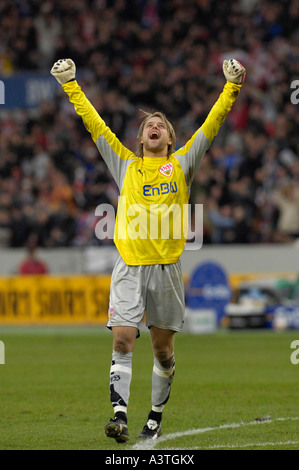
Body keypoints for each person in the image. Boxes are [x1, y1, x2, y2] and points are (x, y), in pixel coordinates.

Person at [51, 57, 245, 443]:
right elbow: (95, 125)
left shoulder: (181, 164)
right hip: (129, 266)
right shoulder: (125, 164)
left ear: (170, 140)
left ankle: (154, 417)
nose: (153, 128)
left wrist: (231, 88)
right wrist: (70, 83)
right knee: (123, 338)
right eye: (147, 127)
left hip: (166, 270)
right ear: (140, 140)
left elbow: (211, 126)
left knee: (162, 353)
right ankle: (119, 416)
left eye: (160, 126)